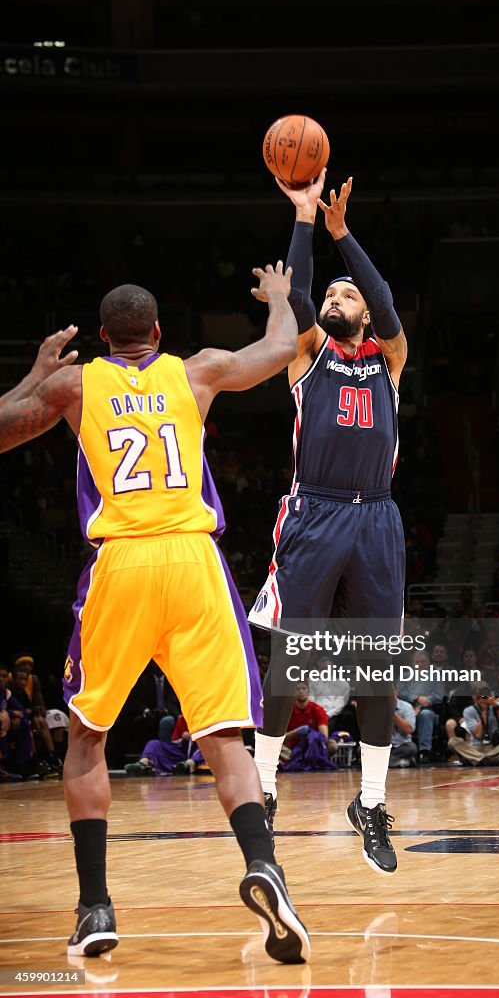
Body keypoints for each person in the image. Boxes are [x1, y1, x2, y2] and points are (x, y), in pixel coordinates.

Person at [0, 268, 310, 965]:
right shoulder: (198, 371)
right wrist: (282, 298)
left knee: (85, 738)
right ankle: (263, 865)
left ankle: (95, 907)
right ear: (159, 334)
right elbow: (281, 348)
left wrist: (33, 376)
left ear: (104, 338)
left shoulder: (73, 386)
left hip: (122, 565)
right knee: (224, 738)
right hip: (195, 562)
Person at [248, 172, 408, 874]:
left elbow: (384, 300)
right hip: (312, 511)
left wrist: (346, 234)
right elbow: (304, 296)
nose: (339, 300)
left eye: (351, 296)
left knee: (378, 671)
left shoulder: (389, 361)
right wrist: (307, 218)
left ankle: (370, 804)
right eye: (334, 296)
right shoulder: (308, 359)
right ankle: (261, 790)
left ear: (367, 316)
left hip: (374, 519)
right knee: (289, 662)